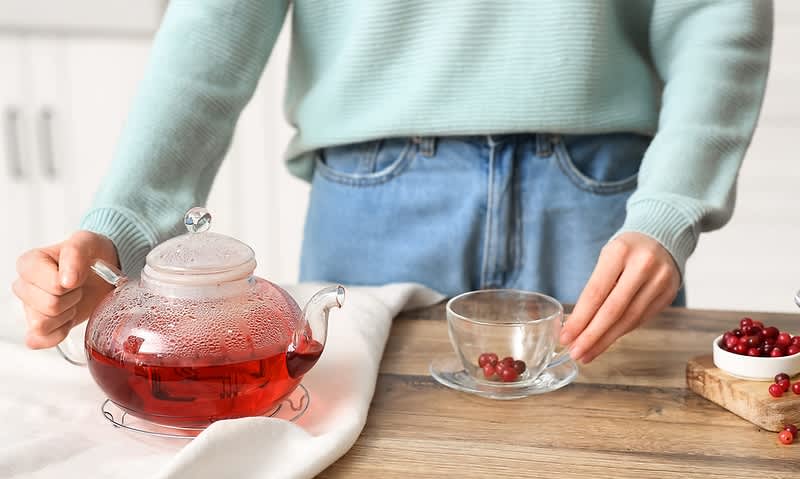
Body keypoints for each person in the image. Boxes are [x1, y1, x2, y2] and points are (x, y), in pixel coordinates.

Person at [12, 1, 772, 364]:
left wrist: (673, 203)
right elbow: (214, 28)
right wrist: (122, 226)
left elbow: (717, 12)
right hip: (374, 205)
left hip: (601, 210)